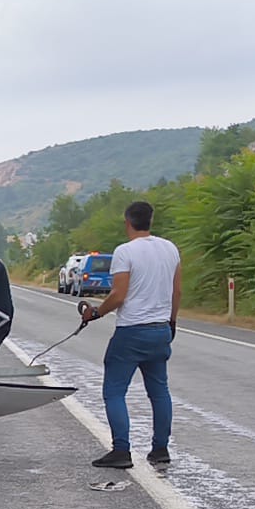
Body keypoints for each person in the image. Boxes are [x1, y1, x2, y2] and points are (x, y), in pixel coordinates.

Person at [81, 200, 181, 468]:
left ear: (127, 222)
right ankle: (160, 448)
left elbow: (118, 295)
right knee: (159, 391)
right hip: (160, 329)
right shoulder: (170, 249)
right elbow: (176, 291)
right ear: (150, 221)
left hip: (132, 331)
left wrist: (97, 313)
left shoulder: (125, 252)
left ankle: (121, 450)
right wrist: (171, 322)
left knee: (114, 391)